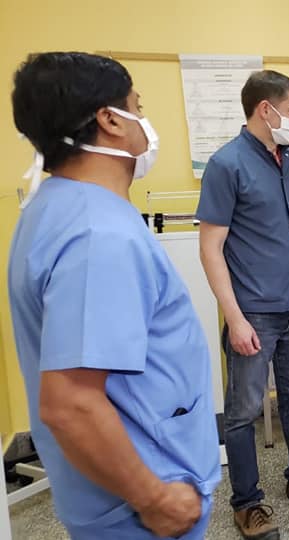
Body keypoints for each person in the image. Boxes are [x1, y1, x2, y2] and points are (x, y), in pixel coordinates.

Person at [8, 52, 220, 539]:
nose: (145, 123)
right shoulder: (97, 234)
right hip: (137, 507)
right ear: (109, 120)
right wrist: (155, 497)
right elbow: (71, 404)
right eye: (137, 107)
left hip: (119, 492)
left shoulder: (52, 207)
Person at [196, 70, 289, 540]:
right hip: (253, 310)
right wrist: (234, 318)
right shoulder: (226, 165)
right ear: (265, 110)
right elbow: (210, 248)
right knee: (243, 411)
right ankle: (247, 503)